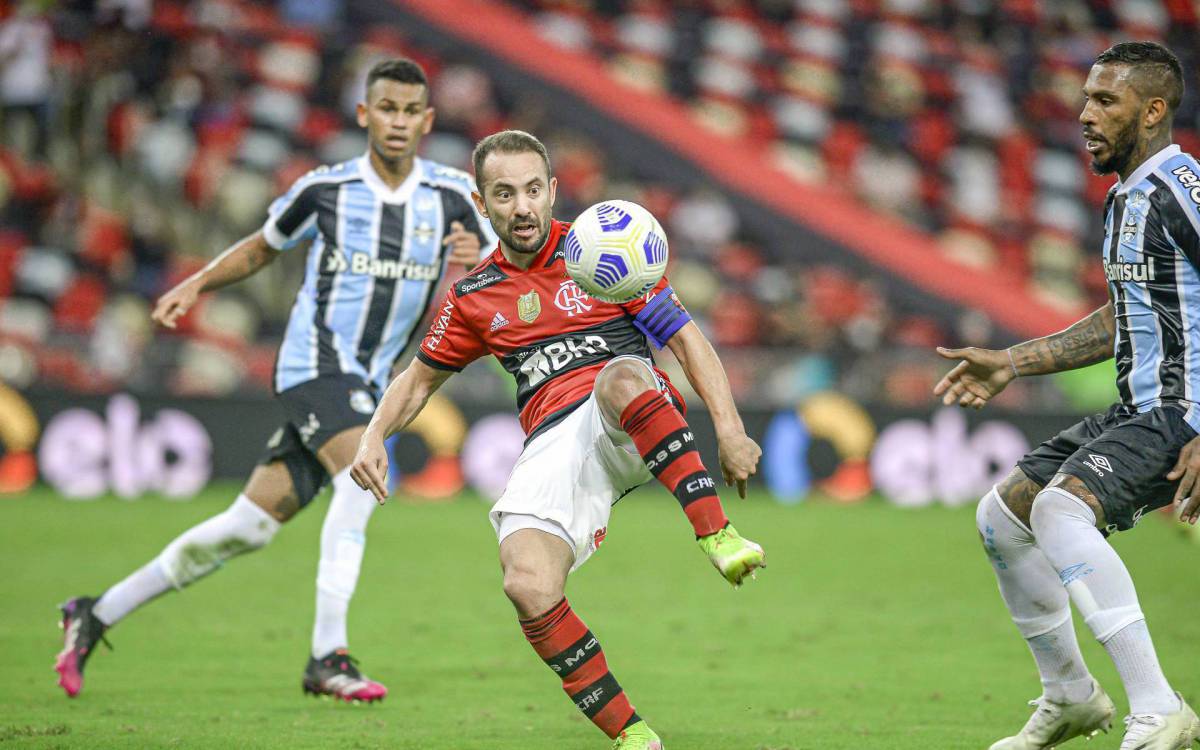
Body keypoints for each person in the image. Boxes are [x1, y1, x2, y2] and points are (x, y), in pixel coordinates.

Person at [55, 58, 496, 702]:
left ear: (427, 121)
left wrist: (476, 263)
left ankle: (93, 614)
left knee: (247, 527)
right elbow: (264, 246)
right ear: (364, 115)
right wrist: (198, 282)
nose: (399, 122)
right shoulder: (326, 189)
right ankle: (327, 655)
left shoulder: (455, 197)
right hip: (312, 364)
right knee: (363, 477)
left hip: (370, 386)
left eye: (411, 111)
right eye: (388, 109)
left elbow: (506, 269)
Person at [350, 129, 766, 749]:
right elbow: (417, 380)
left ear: (551, 190)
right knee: (526, 582)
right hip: (553, 440)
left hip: (628, 410)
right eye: (504, 193)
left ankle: (717, 533)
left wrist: (729, 429)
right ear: (481, 200)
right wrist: (373, 436)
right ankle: (632, 736)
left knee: (622, 376)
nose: (522, 206)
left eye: (533, 190)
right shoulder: (472, 297)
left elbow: (683, 338)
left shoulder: (603, 250)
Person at [935, 41, 1200, 750]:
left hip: (1184, 408)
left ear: (1152, 110)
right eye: (1085, 97)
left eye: (1104, 101)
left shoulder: (1179, 187)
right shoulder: (1127, 195)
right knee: (1003, 515)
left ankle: (1158, 709)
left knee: (1058, 509)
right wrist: (1014, 363)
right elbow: (1126, 316)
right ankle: (1072, 697)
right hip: (1139, 407)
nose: (1084, 113)